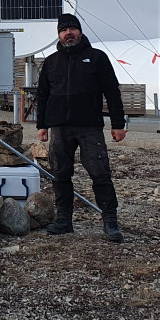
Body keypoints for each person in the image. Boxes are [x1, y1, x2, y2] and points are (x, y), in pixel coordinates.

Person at [35, 13, 126, 242]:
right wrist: (42, 125)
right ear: (59, 34)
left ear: (80, 32)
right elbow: (43, 95)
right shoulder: (51, 62)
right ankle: (64, 221)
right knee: (60, 174)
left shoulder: (97, 58)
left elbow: (112, 92)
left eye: (72, 29)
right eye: (64, 30)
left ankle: (110, 222)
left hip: (90, 127)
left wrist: (118, 124)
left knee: (100, 173)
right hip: (60, 129)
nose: (69, 34)